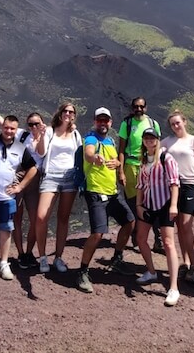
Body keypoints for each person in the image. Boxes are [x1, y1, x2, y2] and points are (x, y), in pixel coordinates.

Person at [0, 96, 43, 269]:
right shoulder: (23, 135)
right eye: (31, 124)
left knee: (36, 217)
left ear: (43, 124)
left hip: (36, 179)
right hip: (19, 176)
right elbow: (6, 125)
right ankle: (20, 254)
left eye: (37, 123)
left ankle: (29, 253)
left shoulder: (48, 136)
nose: (34, 127)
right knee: (16, 217)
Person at [76, 107, 135, 294]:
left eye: (106, 121)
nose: (103, 123)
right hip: (96, 192)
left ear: (110, 123)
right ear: (95, 121)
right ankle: (82, 271)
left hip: (112, 192)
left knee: (129, 222)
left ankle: (117, 259)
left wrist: (118, 164)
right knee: (97, 234)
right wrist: (95, 158)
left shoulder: (110, 140)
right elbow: (89, 153)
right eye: (100, 120)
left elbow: (115, 160)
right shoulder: (91, 139)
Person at [134, 128, 182, 306]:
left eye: (152, 138)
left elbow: (174, 182)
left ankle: (174, 287)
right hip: (147, 204)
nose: (149, 141)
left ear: (157, 140)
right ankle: (151, 271)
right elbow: (140, 185)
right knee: (141, 238)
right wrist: (138, 205)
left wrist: (174, 205)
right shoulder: (143, 160)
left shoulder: (166, 158)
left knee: (168, 243)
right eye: (146, 138)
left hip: (164, 205)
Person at [34, 102, 83, 274]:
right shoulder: (49, 131)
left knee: (63, 218)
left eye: (71, 111)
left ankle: (59, 257)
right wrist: (40, 138)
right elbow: (41, 153)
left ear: (74, 115)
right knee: (41, 217)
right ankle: (42, 257)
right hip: (51, 176)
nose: (68, 114)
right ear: (60, 113)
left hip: (70, 177)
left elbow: (79, 156)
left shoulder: (75, 134)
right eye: (65, 111)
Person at [162, 110, 194, 282]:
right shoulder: (167, 142)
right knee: (179, 226)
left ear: (185, 122)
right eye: (173, 124)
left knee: (186, 225)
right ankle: (185, 262)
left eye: (178, 122)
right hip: (172, 185)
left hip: (189, 184)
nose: (176, 126)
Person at [118, 97, 162, 250]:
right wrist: (121, 171)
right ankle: (136, 237)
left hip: (148, 165)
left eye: (141, 106)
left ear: (146, 107)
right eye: (136, 106)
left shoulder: (153, 124)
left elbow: (158, 147)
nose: (138, 109)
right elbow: (121, 149)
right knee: (133, 203)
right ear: (132, 108)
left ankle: (159, 239)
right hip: (131, 166)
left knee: (154, 201)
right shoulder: (127, 124)